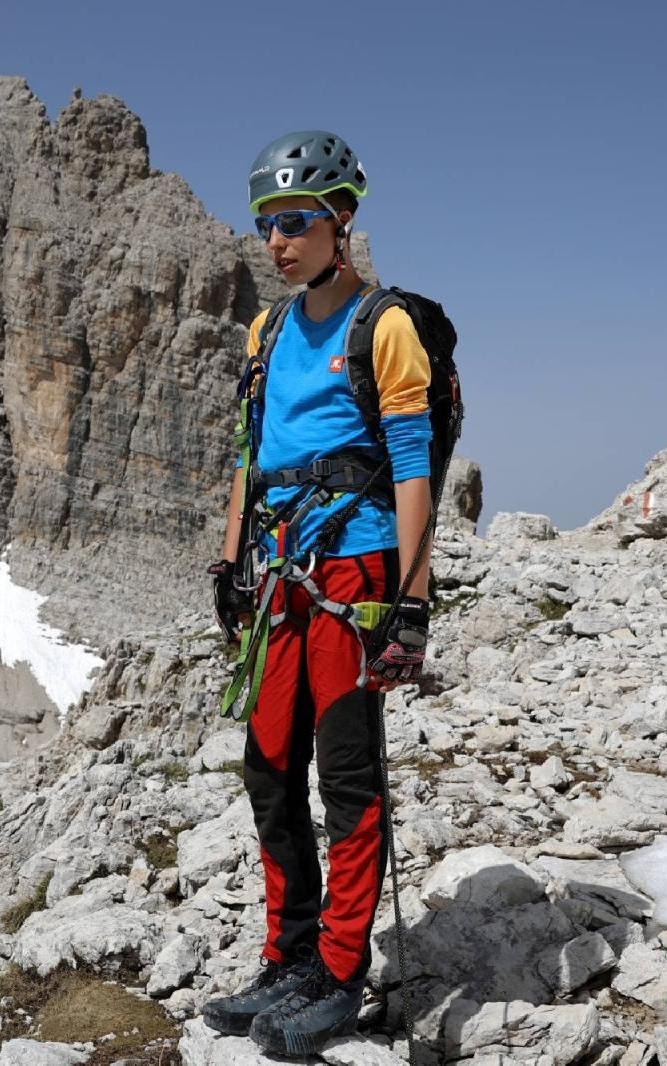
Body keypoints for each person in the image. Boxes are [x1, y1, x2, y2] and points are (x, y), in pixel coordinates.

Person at [202, 130, 434, 1056]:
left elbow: (412, 467)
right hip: (279, 572)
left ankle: (340, 975)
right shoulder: (266, 331)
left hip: (356, 570)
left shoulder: (383, 326)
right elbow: (249, 455)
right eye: (267, 223)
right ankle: (288, 956)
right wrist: (231, 563)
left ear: (341, 220)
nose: (277, 241)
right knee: (268, 765)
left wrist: (413, 602)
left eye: (295, 221)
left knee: (344, 773)